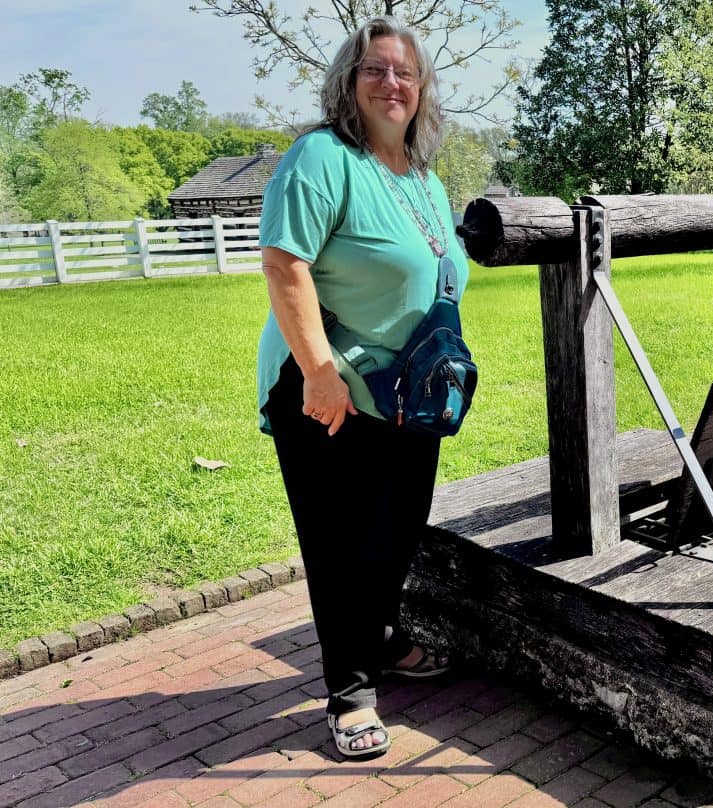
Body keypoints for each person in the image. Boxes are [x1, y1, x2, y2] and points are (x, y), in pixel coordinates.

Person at [256, 16, 469, 759]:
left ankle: (380, 637)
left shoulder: (422, 177)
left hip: (410, 394)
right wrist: (318, 371)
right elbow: (286, 265)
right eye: (375, 69)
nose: (392, 83)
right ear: (349, 82)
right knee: (342, 546)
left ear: (422, 90)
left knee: (398, 532)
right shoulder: (322, 158)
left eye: (405, 72)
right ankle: (350, 695)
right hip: (331, 392)